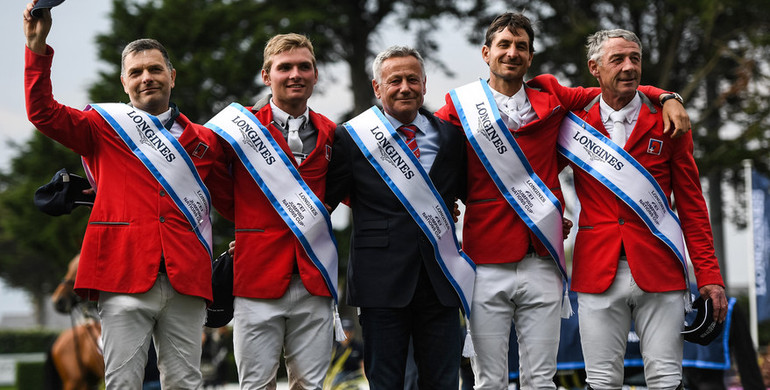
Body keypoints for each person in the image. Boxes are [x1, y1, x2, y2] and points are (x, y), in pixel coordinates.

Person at [434, 12, 689, 389]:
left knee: (541, 380)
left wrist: (667, 96)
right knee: (488, 381)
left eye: (521, 46)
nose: (512, 52)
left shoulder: (553, 95)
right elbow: (430, 157)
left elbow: (614, 90)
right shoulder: (459, 107)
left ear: (530, 57)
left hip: (543, 260)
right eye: (504, 45)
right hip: (485, 260)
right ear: (486, 53)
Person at [23, 0, 229, 387]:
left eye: (154, 69)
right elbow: (43, 113)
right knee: (122, 383)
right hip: (121, 274)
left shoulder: (206, 141)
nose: (146, 77)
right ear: (124, 83)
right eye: (136, 72)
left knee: (186, 383)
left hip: (187, 278)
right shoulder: (101, 127)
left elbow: (235, 197)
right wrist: (37, 47)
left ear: (172, 75)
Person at [560, 29, 727, 389]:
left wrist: (710, 277)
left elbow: (692, 205)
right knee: (601, 381)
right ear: (594, 67)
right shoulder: (572, 119)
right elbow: (541, 87)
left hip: (660, 267)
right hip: (597, 268)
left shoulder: (670, 121)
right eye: (617, 59)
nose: (629, 67)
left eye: (635, 58)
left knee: (667, 380)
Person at [325, 45, 474, 389]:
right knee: (386, 382)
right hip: (380, 282)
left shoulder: (451, 137)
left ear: (424, 84)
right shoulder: (351, 138)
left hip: (441, 281)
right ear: (378, 88)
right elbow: (327, 202)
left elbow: (470, 195)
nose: (404, 87)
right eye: (395, 81)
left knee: (443, 381)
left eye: (412, 79)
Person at [204, 33, 338, 389]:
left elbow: (349, 189)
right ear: (267, 76)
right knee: (256, 385)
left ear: (315, 74)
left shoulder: (332, 133)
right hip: (256, 278)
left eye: (303, 67)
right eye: (285, 67)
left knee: (310, 386)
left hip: (314, 279)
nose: (295, 74)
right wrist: (251, 225)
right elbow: (211, 182)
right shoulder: (239, 130)